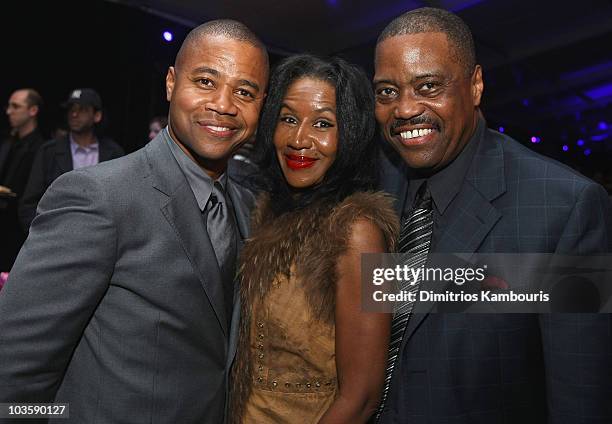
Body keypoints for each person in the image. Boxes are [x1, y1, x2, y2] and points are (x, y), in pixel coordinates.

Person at [0, 19, 269, 423]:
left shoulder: (248, 207)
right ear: (170, 83)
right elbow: (15, 368)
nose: (225, 104)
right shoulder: (97, 197)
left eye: (244, 92)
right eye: (206, 82)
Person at [373, 7, 612, 423]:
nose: (405, 109)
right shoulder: (374, 194)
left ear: (476, 85)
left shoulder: (562, 208)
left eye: (428, 86)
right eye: (387, 92)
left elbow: (581, 399)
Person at [230, 54, 399, 423]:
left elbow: (361, 397)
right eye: (288, 118)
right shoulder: (265, 214)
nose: (299, 139)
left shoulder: (356, 232)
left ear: (350, 135)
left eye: (323, 123)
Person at [18, 87, 124, 230]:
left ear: (97, 115)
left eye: (82, 109)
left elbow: (122, 203)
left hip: (99, 238)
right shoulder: (49, 152)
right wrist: (45, 236)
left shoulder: (113, 153)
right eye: (71, 109)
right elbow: (28, 204)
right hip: (54, 238)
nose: (74, 114)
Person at [0, 89, 45, 270]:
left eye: (16, 106)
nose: (9, 111)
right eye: (9, 106)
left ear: (33, 111)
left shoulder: (42, 148)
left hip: (21, 231)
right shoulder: (8, 143)